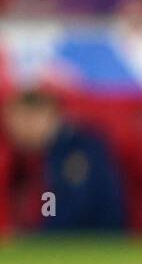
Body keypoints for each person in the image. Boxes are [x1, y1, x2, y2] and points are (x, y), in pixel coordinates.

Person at [3, 88, 126, 233]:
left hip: (95, 243)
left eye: (24, 121)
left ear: (47, 116)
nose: (15, 131)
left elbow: (77, 207)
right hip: (64, 243)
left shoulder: (79, 150)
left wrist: (36, 239)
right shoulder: (42, 155)